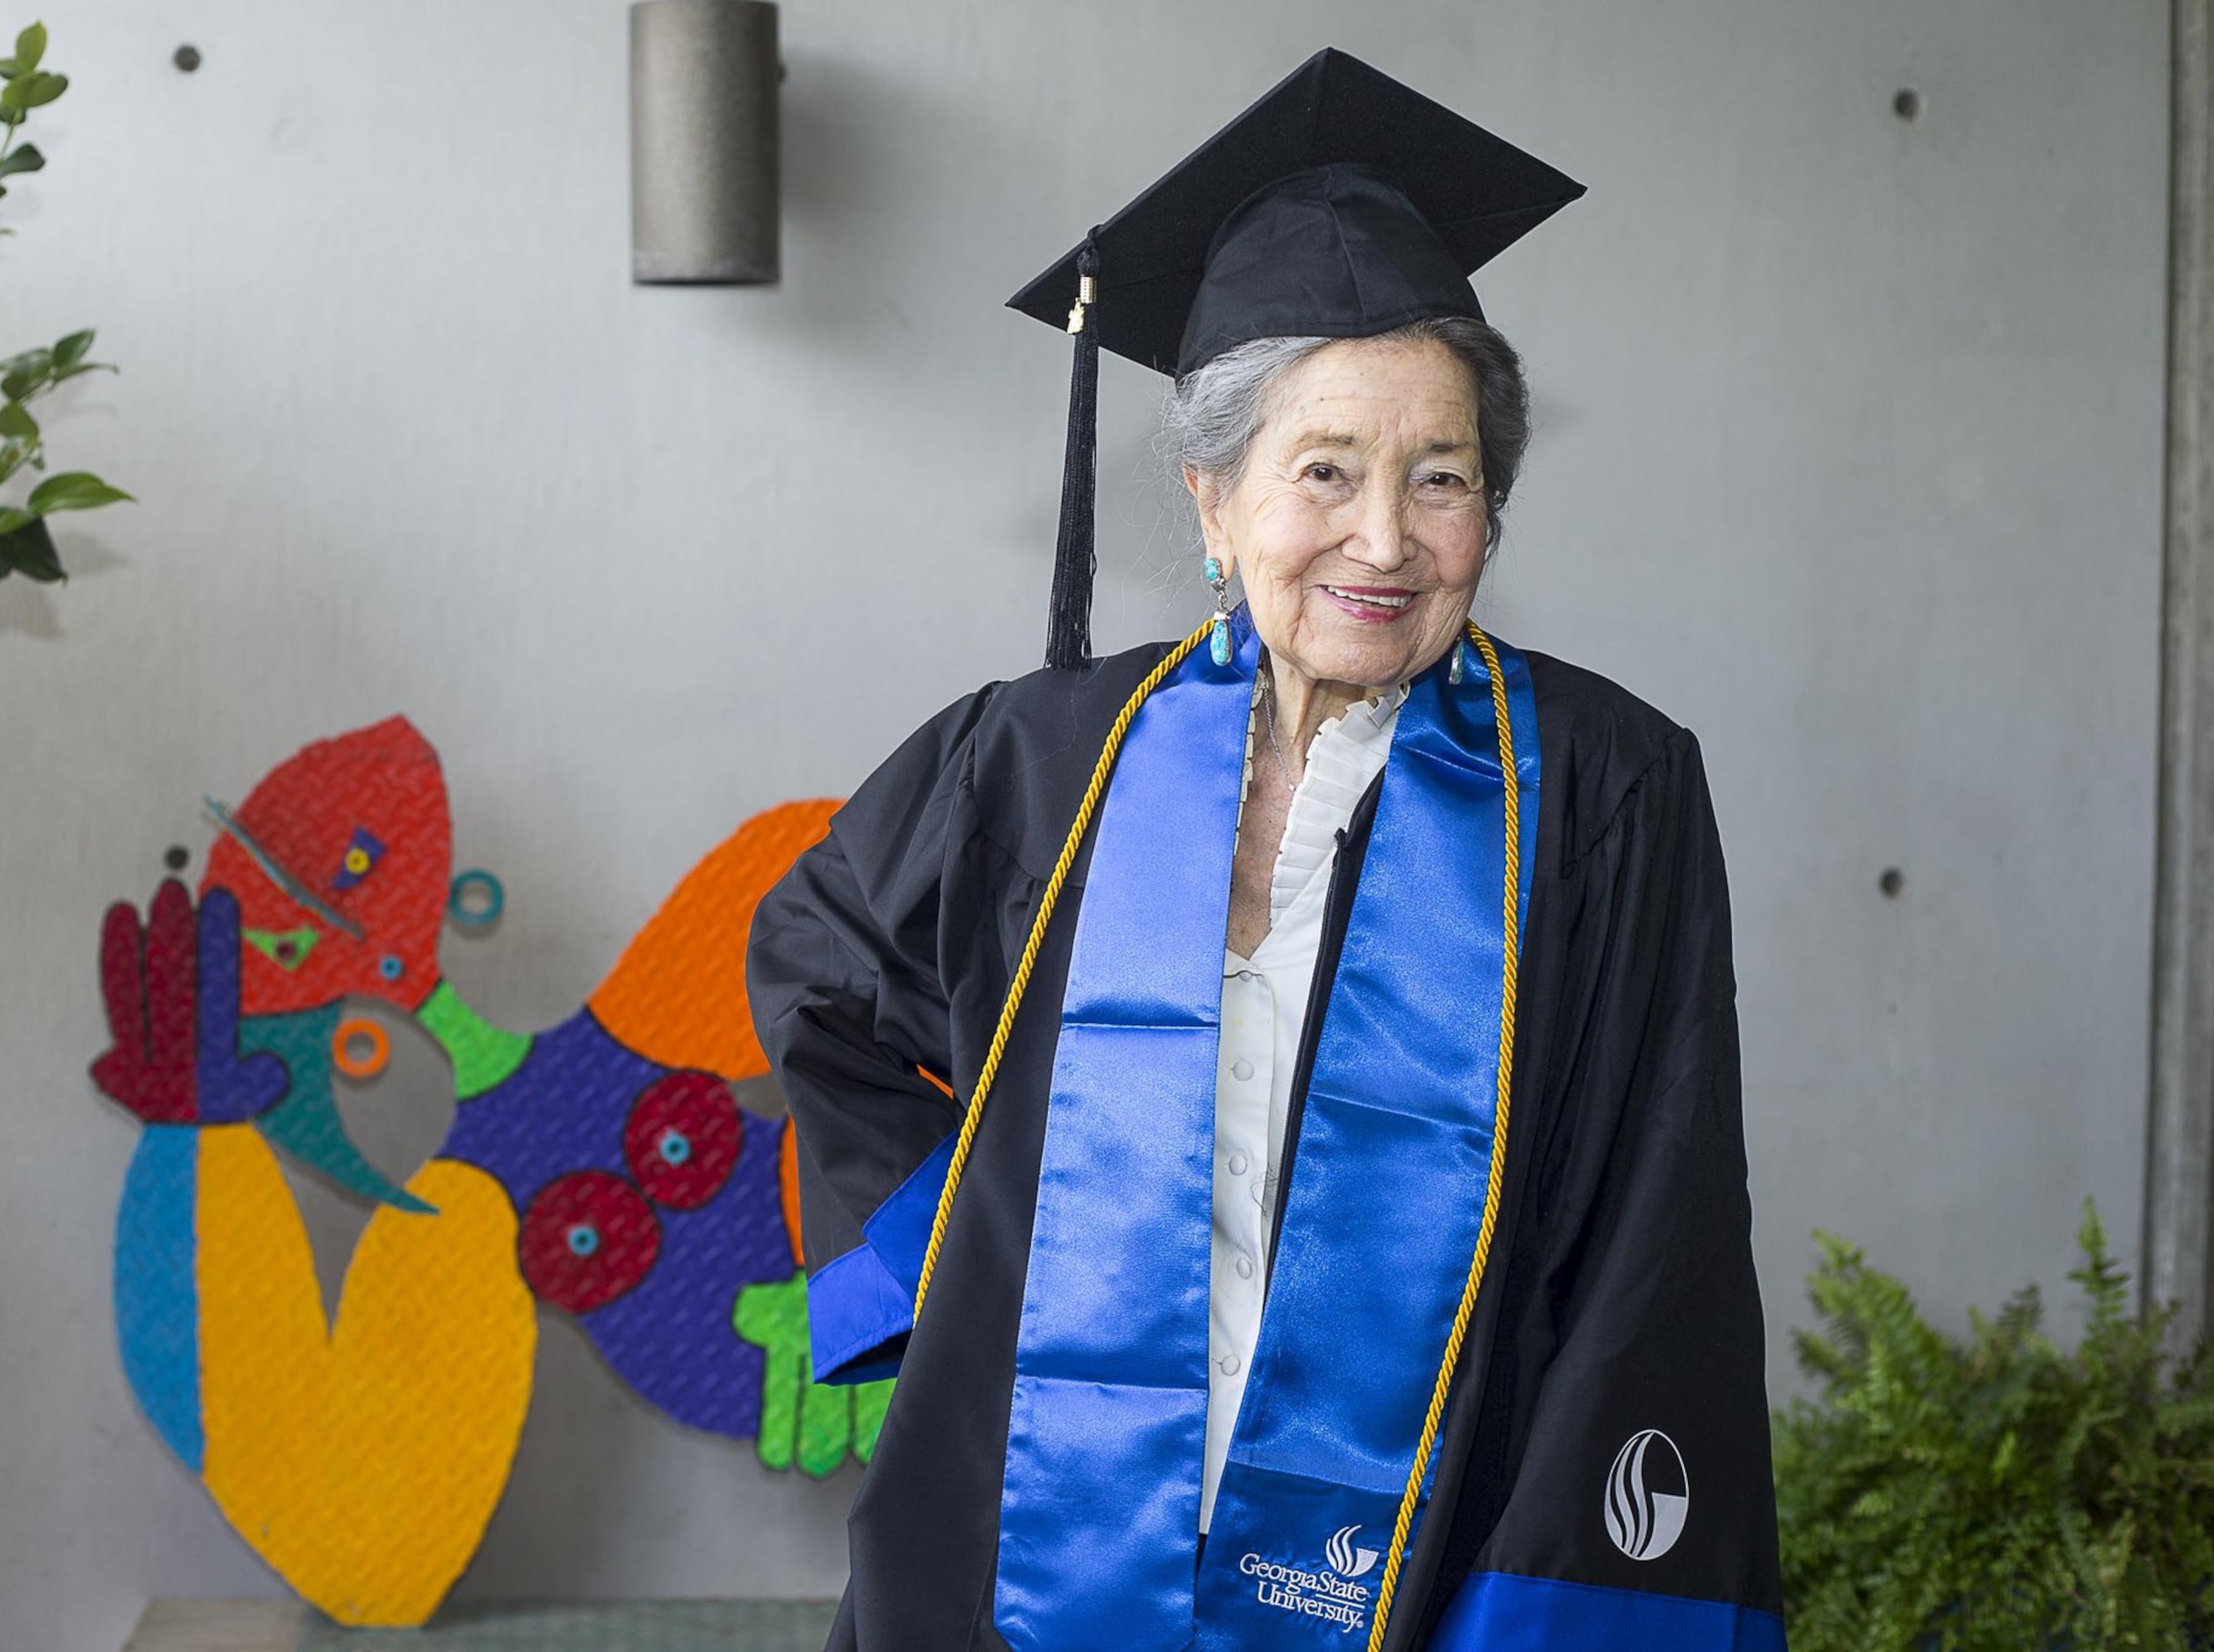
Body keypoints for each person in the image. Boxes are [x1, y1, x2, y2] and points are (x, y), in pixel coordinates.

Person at [745, 46, 1787, 1652]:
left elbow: (1656, 1235)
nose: (1386, 536)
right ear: (1213, 502)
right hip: (1040, 1519)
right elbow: (815, 965)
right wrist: (962, 1252)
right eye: (1325, 471)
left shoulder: (1604, 791)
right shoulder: (1038, 758)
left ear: (1491, 512)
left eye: (1441, 478)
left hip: (1431, 1545)